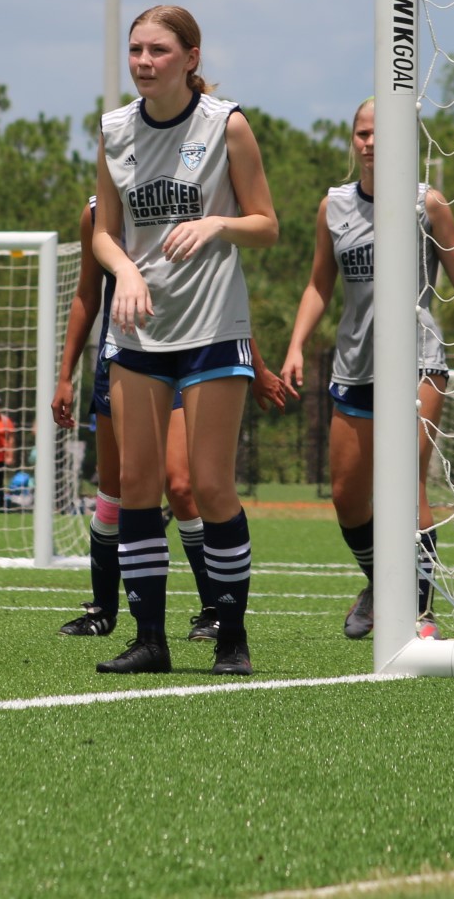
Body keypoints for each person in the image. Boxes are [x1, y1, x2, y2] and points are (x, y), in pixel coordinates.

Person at [281, 97, 454, 643]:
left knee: (407, 480)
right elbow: (319, 284)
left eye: (381, 133)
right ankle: (380, 583)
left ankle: (419, 612)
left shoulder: (427, 204)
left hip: (420, 362)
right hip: (355, 366)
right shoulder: (333, 207)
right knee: (347, 497)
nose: (371, 143)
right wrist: (296, 345)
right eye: (362, 133)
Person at [92, 4, 279, 676]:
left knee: (208, 486)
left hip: (212, 330)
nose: (144, 62)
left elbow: (267, 224)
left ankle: (231, 638)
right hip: (139, 333)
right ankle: (150, 641)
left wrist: (218, 225)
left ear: (191, 58)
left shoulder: (226, 124)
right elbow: (103, 232)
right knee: (137, 485)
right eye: (136, 50)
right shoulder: (114, 129)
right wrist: (123, 271)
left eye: (159, 50)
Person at [51, 196, 290, 642]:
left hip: (187, 355)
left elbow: (223, 291)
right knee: (114, 492)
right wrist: (65, 376)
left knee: (181, 485)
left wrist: (256, 366)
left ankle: (214, 609)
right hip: (124, 358)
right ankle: (103, 610)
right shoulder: (96, 213)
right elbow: (87, 294)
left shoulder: (186, 197)